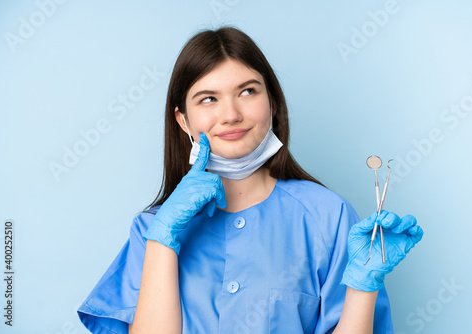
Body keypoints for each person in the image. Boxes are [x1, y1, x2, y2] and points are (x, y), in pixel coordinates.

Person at [77, 26, 423, 334]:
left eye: (247, 92)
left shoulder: (328, 216)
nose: (231, 115)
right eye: (208, 99)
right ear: (183, 120)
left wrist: (363, 286)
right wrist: (163, 240)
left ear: (273, 103)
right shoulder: (151, 230)